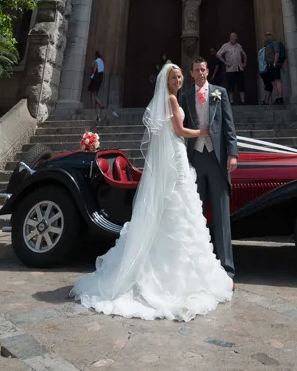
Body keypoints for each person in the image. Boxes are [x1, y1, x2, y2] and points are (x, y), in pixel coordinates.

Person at [72, 62, 233, 321]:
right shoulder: (171, 99)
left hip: (179, 154)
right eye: (174, 77)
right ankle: (178, 277)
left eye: (180, 77)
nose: (178, 80)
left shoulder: (174, 98)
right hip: (179, 152)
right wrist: (202, 132)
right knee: (180, 207)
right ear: (166, 80)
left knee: (182, 208)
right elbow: (180, 131)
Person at [180, 56, 238, 280]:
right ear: (192, 73)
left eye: (203, 69)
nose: (201, 73)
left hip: (217, 158)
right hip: (195, 158)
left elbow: (229, 125)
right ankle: (197, 268)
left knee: (222, 215)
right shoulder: (185, 95)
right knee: (196, 214)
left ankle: (227, 269)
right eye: (197, 70)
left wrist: (232, 154)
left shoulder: (219, 93)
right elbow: (182, 127)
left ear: (207, 71)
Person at [217, 32, 247, 104]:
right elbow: (218, 54)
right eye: (231, 36)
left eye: (233, 36)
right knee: (231, 86)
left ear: (236, 38)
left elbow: (244, 55)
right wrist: (225, 62)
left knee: (241, 85)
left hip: (239, 68)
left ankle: (242, 101)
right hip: (230, 69)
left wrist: (244, 63)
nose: (232, 38)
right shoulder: (225, 46)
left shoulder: (239, 46)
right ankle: (231, 101)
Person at [260, 31, 286, 105]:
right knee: (273, 82)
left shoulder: (275, 43)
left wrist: (275, 62)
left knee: (277, 80)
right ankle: (277, 97)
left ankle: (280, 98)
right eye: (267, 35)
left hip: (274, 64)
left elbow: (277, 52)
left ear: (272, 35)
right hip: (269, 65)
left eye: (269, 34)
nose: (268, 36)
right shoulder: (267, 44)